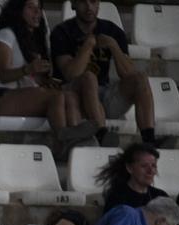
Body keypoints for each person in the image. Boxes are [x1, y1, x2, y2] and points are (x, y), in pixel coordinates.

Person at [0, 0, 96, 148]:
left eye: (39, 8)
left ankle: (74, 144)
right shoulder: (6, 34)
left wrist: (46, 79)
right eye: (31, 7)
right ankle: (64, 136)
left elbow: (35, 82)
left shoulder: (37, 40)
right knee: (56, 96)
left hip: (23, 95)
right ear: (18, 10)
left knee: (70, 96)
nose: (37, 12)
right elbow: (4, 75)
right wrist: (28, 69)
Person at [49, 0, 157, 146]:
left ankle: (149, 141)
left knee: (140, 78)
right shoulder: (62, 31)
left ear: (99, 4)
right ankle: (101, 134)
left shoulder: (112, 31)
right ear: (74, 4)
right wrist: (88, 45)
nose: (89, 7)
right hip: (74, 97)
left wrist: (114, 47)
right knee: (89, 77)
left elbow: (128, 73)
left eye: (93, 2)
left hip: (103, 95)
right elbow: (71, 74)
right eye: (83, 2)